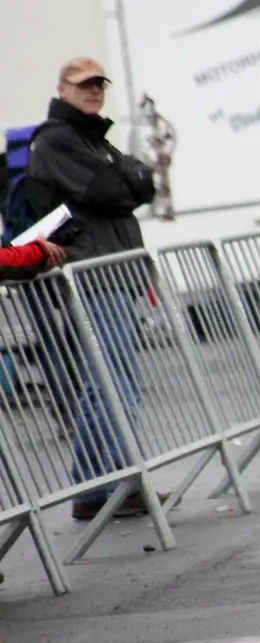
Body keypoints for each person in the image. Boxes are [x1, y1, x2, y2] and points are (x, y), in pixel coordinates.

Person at [26, 56, 167, 521]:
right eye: (84, 85)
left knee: (111, 382)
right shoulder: (58, 140)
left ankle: (103, 487)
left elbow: (144, 185)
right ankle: (100, 488)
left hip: (114, 273)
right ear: (62, 90)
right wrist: (128, 179)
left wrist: (129, 180)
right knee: (112, 383)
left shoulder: (91, 138)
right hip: (94, 275)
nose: (94, 92)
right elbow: (114, 190)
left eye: (99, 85)